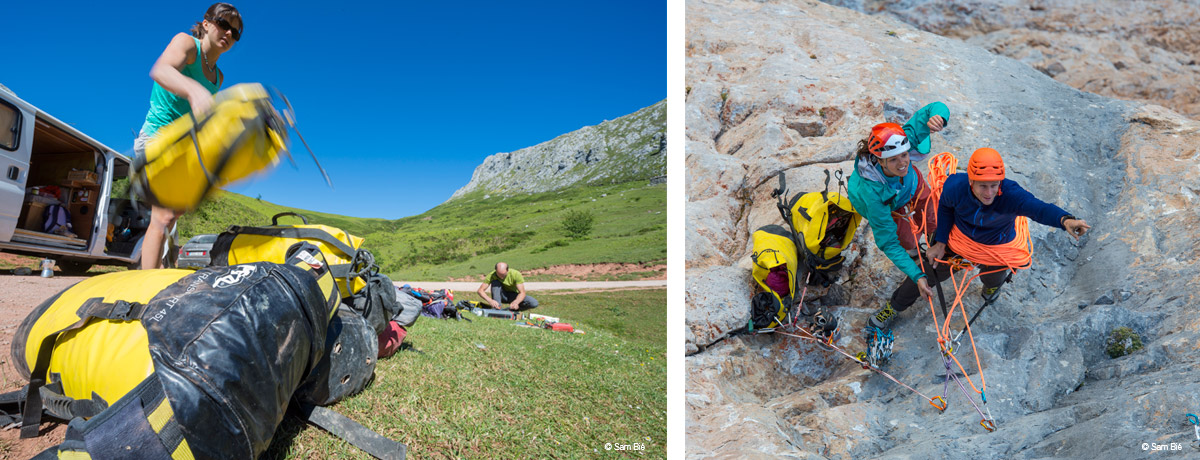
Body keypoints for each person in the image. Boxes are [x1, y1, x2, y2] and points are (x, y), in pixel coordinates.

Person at [909, 148, 1090, 309]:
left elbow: (1039, 209)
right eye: (983, 186)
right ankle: (892, 307)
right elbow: (946, 207)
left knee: (992, 276)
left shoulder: (1012, 195)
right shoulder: (955, 186)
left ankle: (992, 287)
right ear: (971, 182)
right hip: (960, 240)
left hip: (997, 245)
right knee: (927, 273)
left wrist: (1065, 220)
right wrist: (940, 242)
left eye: (994, 185)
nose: (989, 193)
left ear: (1000, 182)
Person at [133, 3, 243, 269]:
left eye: (236, 32)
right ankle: (146, 287)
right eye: (223, 23)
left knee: (173, 216)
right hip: (156, 138)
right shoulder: (186, 44)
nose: (228, 33)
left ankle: (157, 272)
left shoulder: (218, 77)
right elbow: (161, 70)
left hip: (183, 147)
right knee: (162, 216)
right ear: (206, 23)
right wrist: (192, 90)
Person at [845, 102, 948, 336]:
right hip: (889, 204)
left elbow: (934, 108)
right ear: (880, 161)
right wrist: (917, 275)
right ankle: (915, 253)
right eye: (894, 160)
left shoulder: (902, 140)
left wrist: (939, 117)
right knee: (907, 241)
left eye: (904, 155)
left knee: (933, 217)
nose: (903, 163)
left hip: (913, 186)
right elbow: (888, 242)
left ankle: (932, 240)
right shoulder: (872, 193)